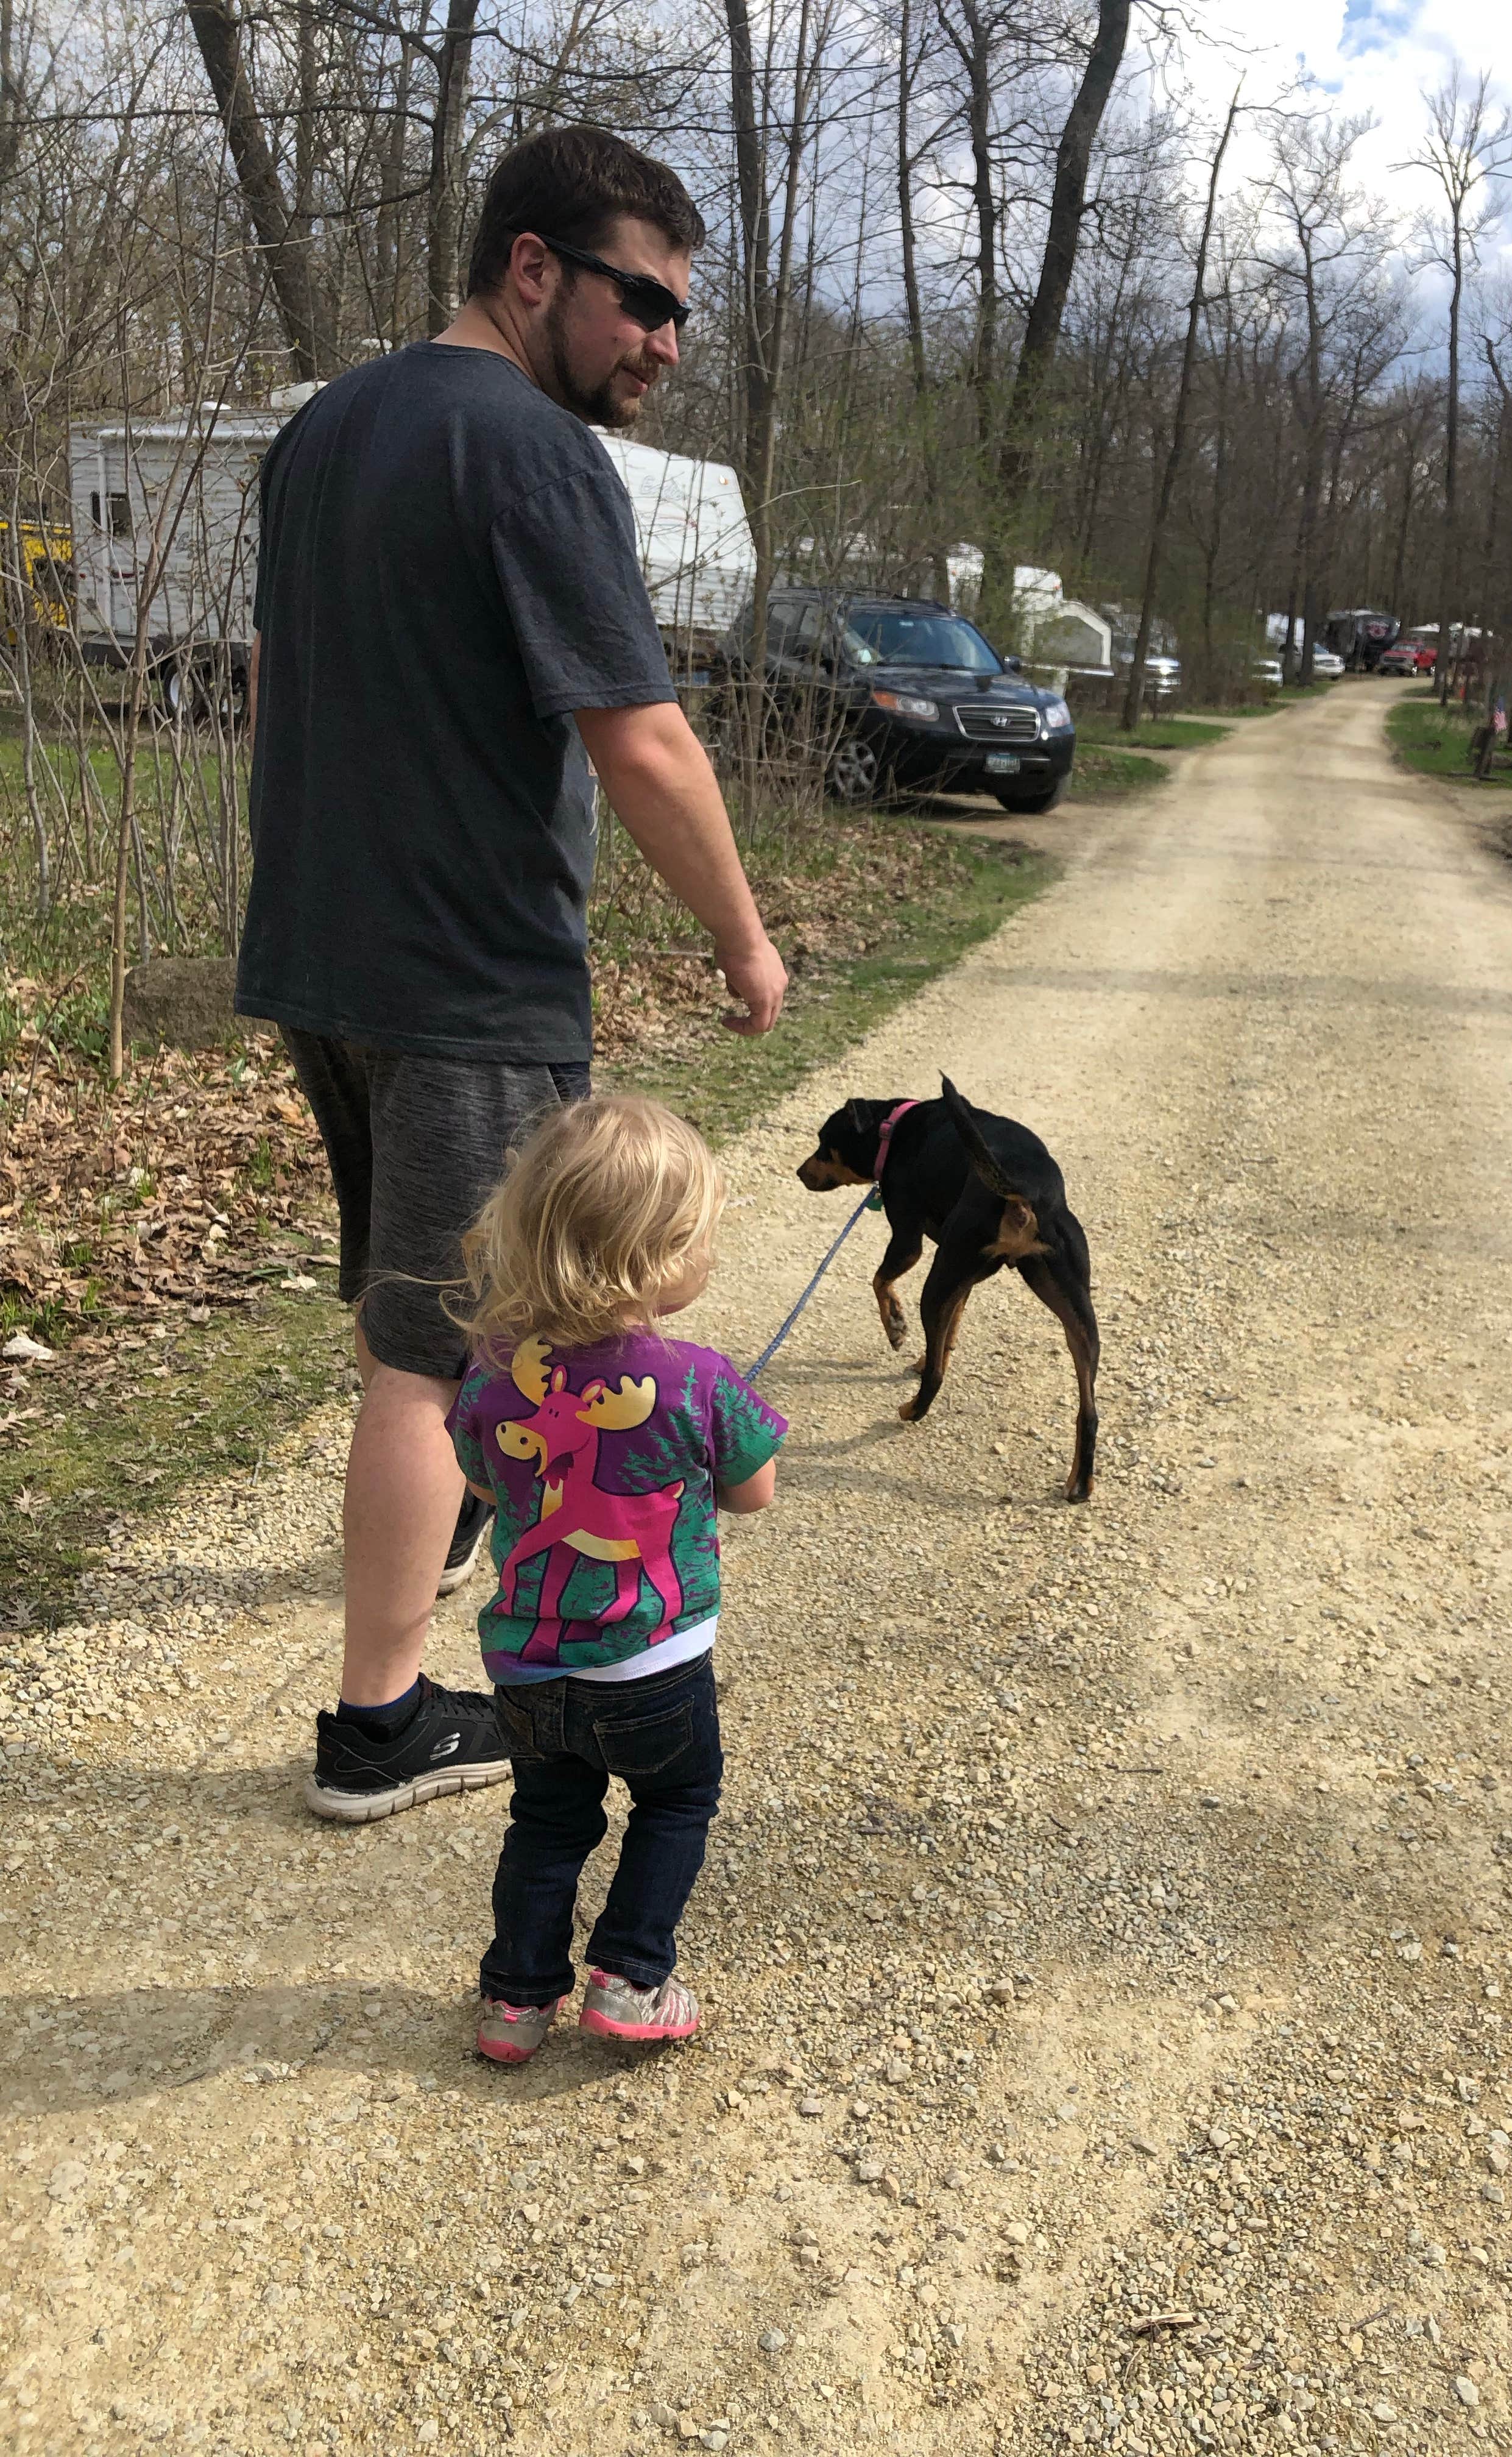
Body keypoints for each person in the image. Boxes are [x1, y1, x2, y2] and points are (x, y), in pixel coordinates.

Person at [235, 123, 787, 1822]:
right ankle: (379, 1724)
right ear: (531, 269)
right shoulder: (536, 456)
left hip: (322, 950)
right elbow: (643, 739)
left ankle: (456, 1526)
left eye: (684, 313)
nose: (667, 341)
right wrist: (744, 938)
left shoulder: (326, 430)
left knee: (436, 1308)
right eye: (642, 299)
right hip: (461, 973)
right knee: (440, 1345)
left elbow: (275, 687)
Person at [447, 1094, 784, 2060]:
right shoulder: (701, 1379)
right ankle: (631, 1978)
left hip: (527, 1666)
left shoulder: (494, 1375)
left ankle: (515, 2001)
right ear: (660, 1258)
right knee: (675, 1802)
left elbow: (479, 1476)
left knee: (547, 1822)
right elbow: (752, 1492)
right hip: (655, 1669)